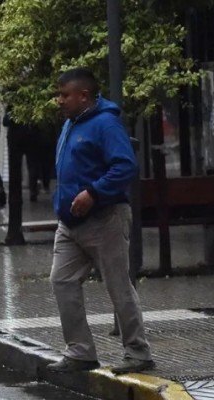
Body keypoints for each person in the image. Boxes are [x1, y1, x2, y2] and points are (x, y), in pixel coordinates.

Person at [46, 68, 154, 375]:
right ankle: (80, 351)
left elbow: (125, 166)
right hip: (70, 223)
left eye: (65, 95)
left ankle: (138, 351)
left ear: (84, 95)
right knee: (61, 280)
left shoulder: (106, 124)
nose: (59, 101)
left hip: (105, 217)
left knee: (118, 285)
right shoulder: (70, 124)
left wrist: (93, 192)